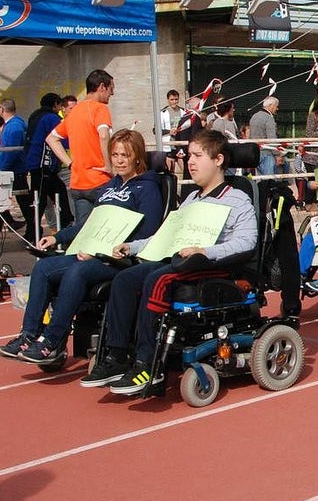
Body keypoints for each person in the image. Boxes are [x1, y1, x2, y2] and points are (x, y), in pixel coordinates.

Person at [80, 130, 259, 395]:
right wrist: (132, 247)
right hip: (178, 260)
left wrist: (205, 250)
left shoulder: (237, 198)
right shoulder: (191, 199)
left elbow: (248, 242)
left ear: (219, 159)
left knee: (158, 279)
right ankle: (116, 356)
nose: (190, 162)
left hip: (212, 265)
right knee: (125, 278)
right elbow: (165, 236)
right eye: (189, 156)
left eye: (197, 156)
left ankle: (147, 364)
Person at [0, 130, 164, 364]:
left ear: (137, 157)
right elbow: (88, 224)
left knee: (77, 271)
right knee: (43, 267)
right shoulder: (108, 188)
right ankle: (28, 335)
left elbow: (148, 232)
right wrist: (58, 238)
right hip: (92, 250)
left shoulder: (147, 189)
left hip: (120, 258)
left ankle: (52, 340)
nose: (118, 160)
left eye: (125, 155)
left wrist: (106, 248)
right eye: (115, 154)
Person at [46, 69, 114, 224]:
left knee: (83, 231)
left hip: (78, 182)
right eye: (111, 89)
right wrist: (109, 166)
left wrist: (70, 163)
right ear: (102, 87)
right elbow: (104, 135)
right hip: (99, 180)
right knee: (106, 228)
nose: (112, 94)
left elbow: (51, 139)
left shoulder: (75, 112)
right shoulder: (100, 108)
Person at [24, 92, 73, 234]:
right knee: (41, 199)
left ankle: (64, 223)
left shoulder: (35, 116)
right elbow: (62, 139)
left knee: (52, 194)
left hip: (35, 163)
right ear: (56, 104)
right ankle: (33, 232)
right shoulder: (51, 118)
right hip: (43, 164)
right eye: (59, 105)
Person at [0, 98, 34, 241]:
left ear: (2, 110)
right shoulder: (15, 125)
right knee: (2, 201)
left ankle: (33, 230)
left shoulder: (14, 127)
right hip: (12, 169)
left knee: (24, 202)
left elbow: (11, 151)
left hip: (14, 171)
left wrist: (3, 167)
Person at [249, 96, 282, 176]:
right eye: (276, 106)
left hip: (255, 153)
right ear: (271, 106)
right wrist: (277, 154)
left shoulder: (254, 116)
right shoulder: (269, 118)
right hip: (267, 153)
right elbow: (272, 139)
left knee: (259, 181)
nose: (277, 109)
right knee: (268, 180)